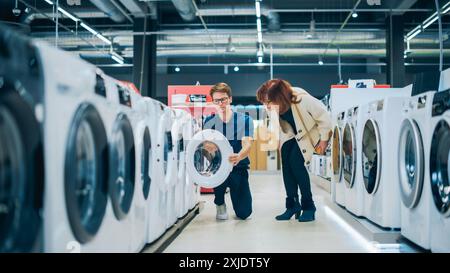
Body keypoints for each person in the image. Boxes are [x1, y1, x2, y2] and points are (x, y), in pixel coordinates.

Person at [256, 79, 332, 222]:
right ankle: (292, 205)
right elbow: (278, 126)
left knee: (296, 163)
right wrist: (280, 144)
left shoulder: (301, 99)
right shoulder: (272, 106)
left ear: (279, 97)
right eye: (264, 102)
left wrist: (323, 140)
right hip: (292, 135)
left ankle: (309, 207)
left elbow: (324, 117)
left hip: (311, 133)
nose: (266, 105)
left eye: (268, 101)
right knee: (286, 165)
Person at [203, 83, 254, 220]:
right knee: (218, 182)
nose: (221, 103)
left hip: (238, 167)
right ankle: (219, 202)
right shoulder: (209, 121)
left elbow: (247, 144)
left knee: (244, 213)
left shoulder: (245, 120)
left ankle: (236, 201)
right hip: (218, 168)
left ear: (230, 99)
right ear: (213, 102)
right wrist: (210, 150)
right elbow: (205, 150)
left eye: (224, 99)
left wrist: (239, 156)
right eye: (217, 100)